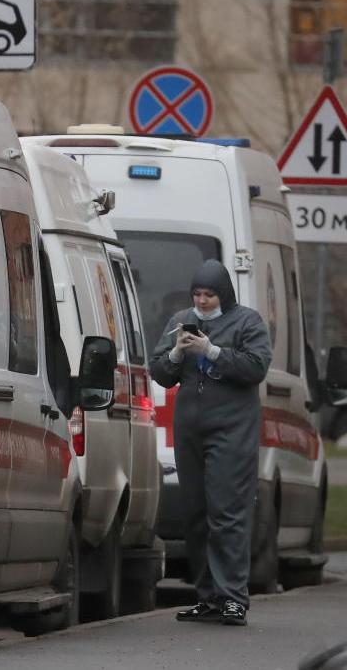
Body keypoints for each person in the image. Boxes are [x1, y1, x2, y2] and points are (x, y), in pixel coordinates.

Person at [149, 259, 272, 626]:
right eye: (197, 294)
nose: (202, 301)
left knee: (227, 513)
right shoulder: (180, 321)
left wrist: (212, 351)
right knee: (197, 514)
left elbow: (256, 367)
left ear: (224, 294)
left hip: (231, 430)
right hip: (191, 430)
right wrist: (176, 353)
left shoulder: (246, 322)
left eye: (209, 294)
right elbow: (160, 373)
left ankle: (233, 597)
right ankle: (208, 597)